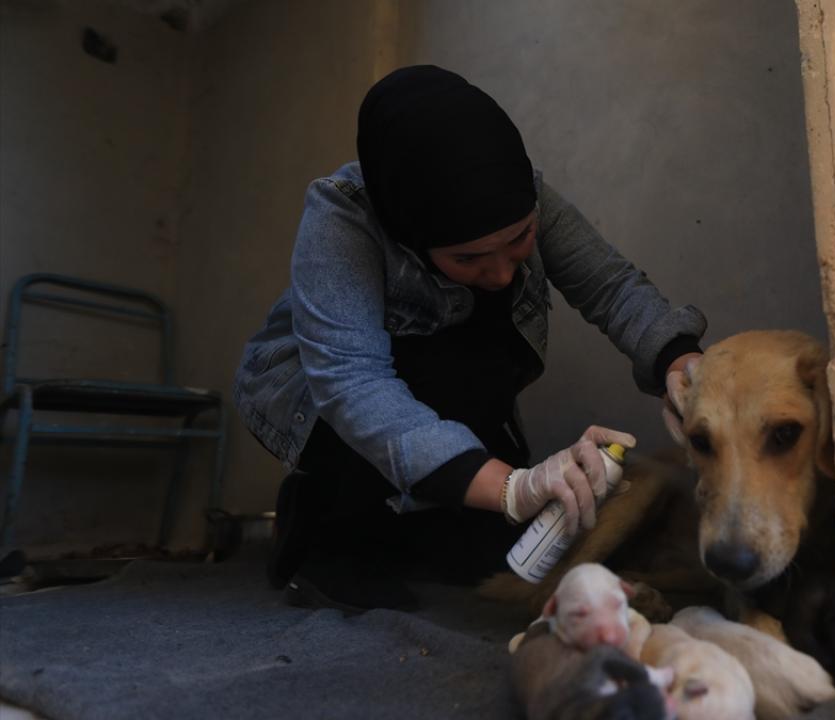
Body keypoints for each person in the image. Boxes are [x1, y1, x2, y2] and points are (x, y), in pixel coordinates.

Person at [233, 65, 706, 613]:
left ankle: (404, 522)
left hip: (447, 389)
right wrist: (510, 487)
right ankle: (321, 520)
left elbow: (611, 287)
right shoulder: (342, 217)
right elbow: (351, 381)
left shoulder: (528, 196)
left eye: (519, 240)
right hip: (318, 396)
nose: (504, 274)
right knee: (355, 561)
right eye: (468, 258)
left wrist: (684, 366)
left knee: (496, 558)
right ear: (408, 231)